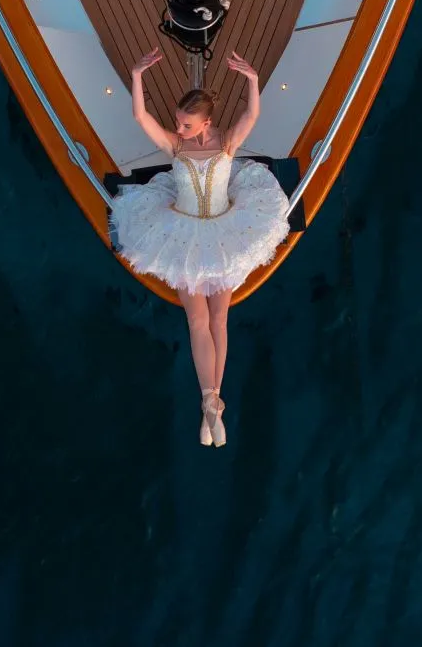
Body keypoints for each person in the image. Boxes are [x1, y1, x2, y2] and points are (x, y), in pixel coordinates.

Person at [111, 49, 291, 446]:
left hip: (218, 233)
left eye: (186, 123)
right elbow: (142, 118)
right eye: (178, 122)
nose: (179, 128)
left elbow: (252, 116)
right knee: (206, 322)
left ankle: (209, 402)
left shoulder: (226, 143)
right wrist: (137, 76)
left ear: (206, 122)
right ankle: (212, 402)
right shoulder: (179, 146)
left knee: (211, 322)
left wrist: (253, 79)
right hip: (191, 233)